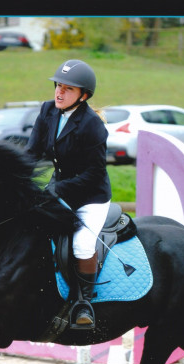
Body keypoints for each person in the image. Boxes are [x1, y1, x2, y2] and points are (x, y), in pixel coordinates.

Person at [26, 59, 112, 330]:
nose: (59, 93)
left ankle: (84, 302)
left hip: (90, 196)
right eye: (58, 86)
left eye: (68, 89)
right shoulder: (48, 111)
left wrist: (58, 188)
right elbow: (31, 154)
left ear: (83, 95)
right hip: (59, 189)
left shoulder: (92, 125)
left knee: (82, 245)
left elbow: (94, 174)